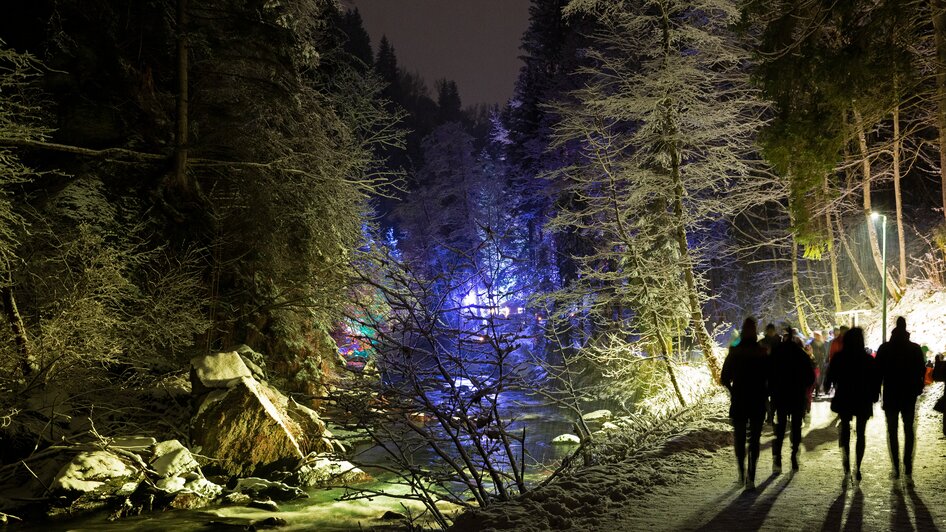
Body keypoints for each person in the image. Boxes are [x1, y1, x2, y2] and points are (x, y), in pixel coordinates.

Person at [875, 316, 927, 480]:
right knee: (908, 428)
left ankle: (896, 465)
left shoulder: (885, 348)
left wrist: (877, 392)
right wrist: (919, 387)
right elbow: (921, 370)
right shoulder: (915, 349)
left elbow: (878, 373)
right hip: (908, 394)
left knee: (892, 430)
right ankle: (908, 464)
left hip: (891, 394)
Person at [824, 327, 879, 483]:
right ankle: (858, 467)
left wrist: (828, 386)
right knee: (861, 433)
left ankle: (846, 463)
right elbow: (875, 381)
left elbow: (830, 377)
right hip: (863, 399)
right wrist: (874, 396)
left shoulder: (839, 358)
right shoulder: (868, 360)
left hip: (845, 397)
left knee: (845, 431)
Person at [721, 317, 769, 490]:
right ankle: (751, 477)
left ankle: (741, 473)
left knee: (740, 438)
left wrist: (733, 391)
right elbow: (770, 378)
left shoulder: (734, 352)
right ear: (755, 332)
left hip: (740, 399)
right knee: (754, 439)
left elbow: (724, 378)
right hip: (757, 399)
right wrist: (766, 394)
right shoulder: (762, 352)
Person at [768, 326, 816, 473]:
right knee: (796, 427)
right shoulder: (800, 354)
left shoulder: (777, 353)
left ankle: (777, 459)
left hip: (781, 395)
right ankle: (794, 456)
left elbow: (769, 374)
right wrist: (803, 388)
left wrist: (772, 391)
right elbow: (810, 376)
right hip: (797, 395)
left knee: (781, 426)